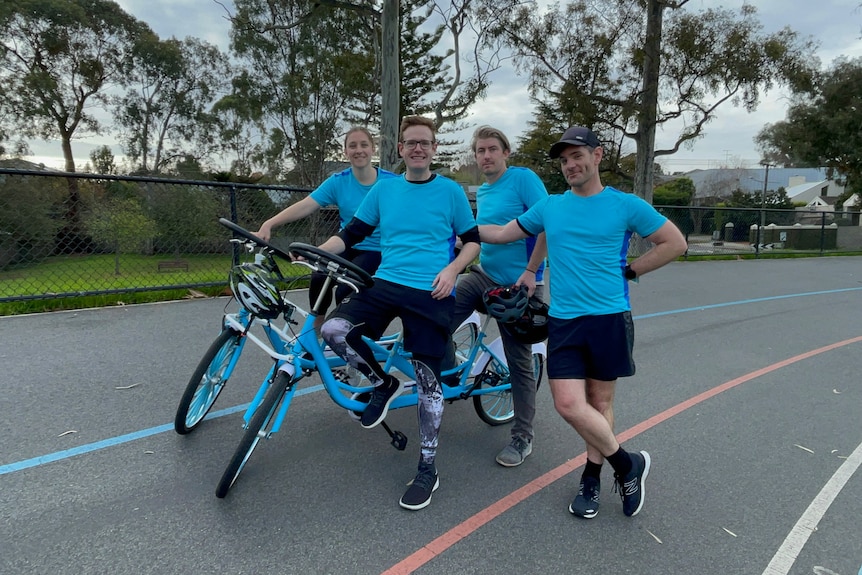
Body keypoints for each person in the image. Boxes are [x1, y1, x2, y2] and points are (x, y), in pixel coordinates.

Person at [479, 126, 687, 519]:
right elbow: (505, 232)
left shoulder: (625, 205)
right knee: (568, 403)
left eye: (577, 156)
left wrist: (631, 270)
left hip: (608, 318)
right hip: (564, 321)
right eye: (563, 160)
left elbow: (675, 243)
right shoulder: (552, 206)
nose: (570, 165)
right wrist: (462, 229)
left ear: (598, 156)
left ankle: (591, 478)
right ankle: (627, 465)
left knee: (599, 402)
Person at [315, 115, 480, 511]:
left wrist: (453, 269)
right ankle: (382, 384)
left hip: (432, 290)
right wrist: (317, 253)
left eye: (425, 142)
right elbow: (351, 234)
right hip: (386, 283)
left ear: (434, 149)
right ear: (401, 150)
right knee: (334, 330)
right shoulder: (385, 191)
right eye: (411, 143)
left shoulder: (451, 191)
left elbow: (473, 241)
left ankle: (427, 468)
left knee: (428, 381)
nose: (418, 148)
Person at [446, 125, 548, 467]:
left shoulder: (523, 179)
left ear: (506, 152)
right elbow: (475, 237)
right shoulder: (484, 193)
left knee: (518, 362)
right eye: (480, 151)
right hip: (483, 276)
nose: (486, 156)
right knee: (437, 313)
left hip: (520, 285)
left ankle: (522, 437)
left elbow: (547, 224)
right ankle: (447, 375)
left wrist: (532, 271)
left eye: (492, 149)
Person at [255, 127, 396, 331]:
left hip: (377, 250)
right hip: (345, 244)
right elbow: (305, 205)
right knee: (319, 276)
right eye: (352, 145)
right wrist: (268, 223)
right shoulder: (339, 181)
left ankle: (345, 333)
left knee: (346, 289)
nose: (359, 150)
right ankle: (315, 332)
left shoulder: (390, 183)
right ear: (345, 151)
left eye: (364, 145)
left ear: (373, 149)